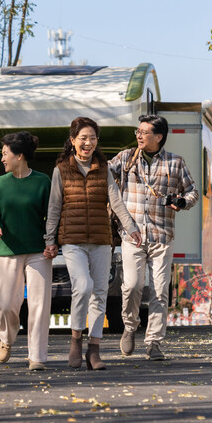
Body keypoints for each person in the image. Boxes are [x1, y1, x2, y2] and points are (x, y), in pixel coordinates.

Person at [44, 117, 142, 370]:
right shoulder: (61, 170)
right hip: (72, 240)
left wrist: (131, 228)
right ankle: (76, 340)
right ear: (72, 141)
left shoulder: (103, 168)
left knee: (99, 292)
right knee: (83, 286)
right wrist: (50, 239)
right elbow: (54, 207)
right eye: (83, 138)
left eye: (93, 138)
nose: (88, 143)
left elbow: (116, 202)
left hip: (101, 238)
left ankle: (94, 350)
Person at [108, 114, 199, 361]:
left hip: (162, 236)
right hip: (132, 236)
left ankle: (154, 342)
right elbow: (102, 174)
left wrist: (182, 202)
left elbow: (193, 192)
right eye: (137, 131)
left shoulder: (175, 163)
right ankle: (129, 326)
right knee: (132, 286)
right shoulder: (125, 158)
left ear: (158, 136)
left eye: (144, 132)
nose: (138, 135)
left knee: (160, 291)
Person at [0, 131, 52, 371]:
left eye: (5, 154)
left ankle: (37, 357)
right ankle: (6, 338)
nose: (2, 159)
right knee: (5, 304)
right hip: (7, 249)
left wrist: (52, 241)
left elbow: (52, 216)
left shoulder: (43, 181)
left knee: (39, 304)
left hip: (38, 251)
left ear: (20, 156)